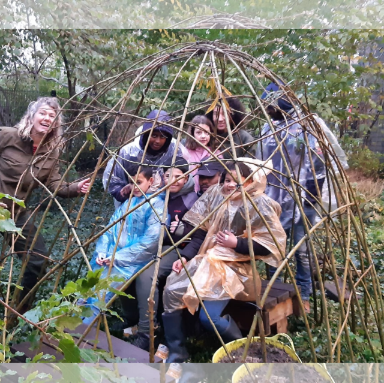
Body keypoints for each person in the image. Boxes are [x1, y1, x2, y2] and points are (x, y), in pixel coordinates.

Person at [161, 159, 286, 362]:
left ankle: (241, 349)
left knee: (209, 317)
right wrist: (185, 256)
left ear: (251, 183)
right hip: (208, 262)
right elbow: (201, 232)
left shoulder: (259, 204)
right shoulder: (215, 196)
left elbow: (269, 244)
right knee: (172, 289)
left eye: (237, 182)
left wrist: (237, 243)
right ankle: (177, 350)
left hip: (236, 270)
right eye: (227, 180)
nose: (229, 185)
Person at [0, 97, 91, 312]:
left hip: (16, 213)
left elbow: (54, 183)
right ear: (31, 116)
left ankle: (17, 314)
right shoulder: (7, 135)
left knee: (37, 261)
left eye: (52, 116)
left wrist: (75, 188)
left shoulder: (52, 151)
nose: (47, 118)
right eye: (43, 113)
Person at [256, 82, 326, 313]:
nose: (267, 109)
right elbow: (260, 164)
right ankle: (274, 291)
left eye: (270, 104)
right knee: (271, 247)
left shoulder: (304, 128)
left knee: (301, 251)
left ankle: (303, 295)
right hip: (273, 201)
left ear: (281, 103)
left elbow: (319, 166)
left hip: (302, 200)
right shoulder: (268, 129)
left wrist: (309, 198)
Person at [119, 157, 199, 350]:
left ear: (187, 176)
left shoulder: (193, 200)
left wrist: (182, 232)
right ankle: (133, 319)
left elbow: (199, 237)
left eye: (178, 176)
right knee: (124, 265)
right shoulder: (159, 196)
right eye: (168, 175)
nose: (173, 180)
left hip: (179, 250)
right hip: (156, 246)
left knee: (147, 275)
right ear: (162, 177)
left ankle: (148, 332)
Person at [81, 166, 168, 325]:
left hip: (131, 261)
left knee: (103, 293)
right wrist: (103, 252)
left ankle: (80, 332)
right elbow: (110, 230)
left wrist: (118, 257)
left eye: (139, 182)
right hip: (110, 257)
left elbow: (150, 242)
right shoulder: (128, 203)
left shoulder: (157, 206)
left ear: (150, 181)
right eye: (131, 183)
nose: (134, 187)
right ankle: (68, 324)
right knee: (86, 290)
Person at [103, 109, 188, 207]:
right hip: (131, 206)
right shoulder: (128, 152)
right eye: (154, 135)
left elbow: (184, 177)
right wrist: (126, 192)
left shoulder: (174, 150)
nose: (157, 141)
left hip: (164, 205)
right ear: (146, 134)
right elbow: (112, 180)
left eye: (162, 137)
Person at [184, 115, 222, 192]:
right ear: (192, 134)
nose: (203, 136)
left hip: (212, 193)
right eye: (199, 132)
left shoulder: (216, 152)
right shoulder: (185, 152)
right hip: (190, 193)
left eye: (206, 132)